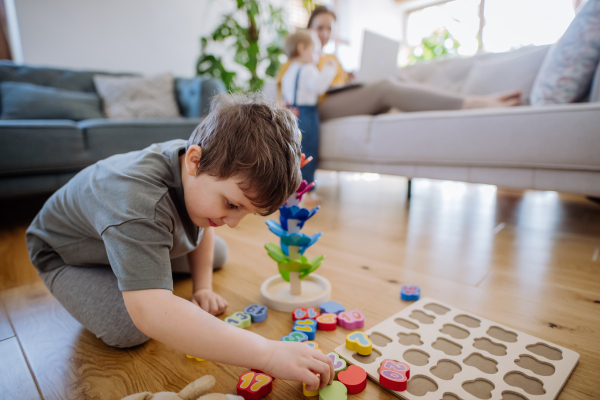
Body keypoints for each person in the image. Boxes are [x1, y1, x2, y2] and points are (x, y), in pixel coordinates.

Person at [25, 93, 335, 392]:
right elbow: (151, 313)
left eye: (247, 213)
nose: (234, 222)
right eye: (231, 204)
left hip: (126, 230)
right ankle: (137, 272)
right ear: (194, 162)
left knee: (217, 254)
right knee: (130, 327)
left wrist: (202, 288)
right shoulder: (138, 206)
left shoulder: (199, 161)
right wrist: (267, 353)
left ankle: (141, 268)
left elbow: (203, 226)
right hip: (64, 255)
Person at [277, 6, 521, 122]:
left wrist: (351, 79)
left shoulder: (332, 60)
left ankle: (462, 99)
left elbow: (339, 85)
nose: (324, 33)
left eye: (329, 29)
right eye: (319, 28)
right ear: (308, 30)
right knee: (385, 87)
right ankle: (472, 103)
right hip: (317, 108)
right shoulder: (296, 62)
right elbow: (283, 95)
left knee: (396, 79)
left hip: (339, 99)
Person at [281, 30, 337, 202]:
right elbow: (319, 87)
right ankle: (308, 191)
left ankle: (292, 189)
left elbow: (286, 96)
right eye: (314, 51)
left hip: (292, 113)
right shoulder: (308, 69)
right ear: (302, 49)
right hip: (307, 113)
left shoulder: (288, 72)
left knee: (295, 153)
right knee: (308, 151)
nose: (318, 56)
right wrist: (329, 69)